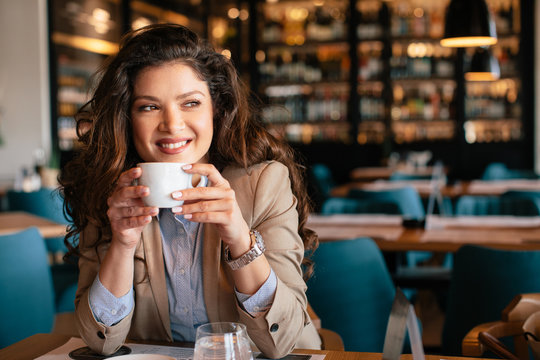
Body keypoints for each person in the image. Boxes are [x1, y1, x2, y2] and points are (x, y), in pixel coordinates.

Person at [59, 23, 321, 357]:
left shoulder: (264, 184)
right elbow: (100, 342)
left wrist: (240, 239)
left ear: (217, 109)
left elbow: (281, 343)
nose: (172, 124)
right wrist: (122, 244)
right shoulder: (112, 195)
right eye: (149, 107)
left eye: (190, 103)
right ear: (127, 118)